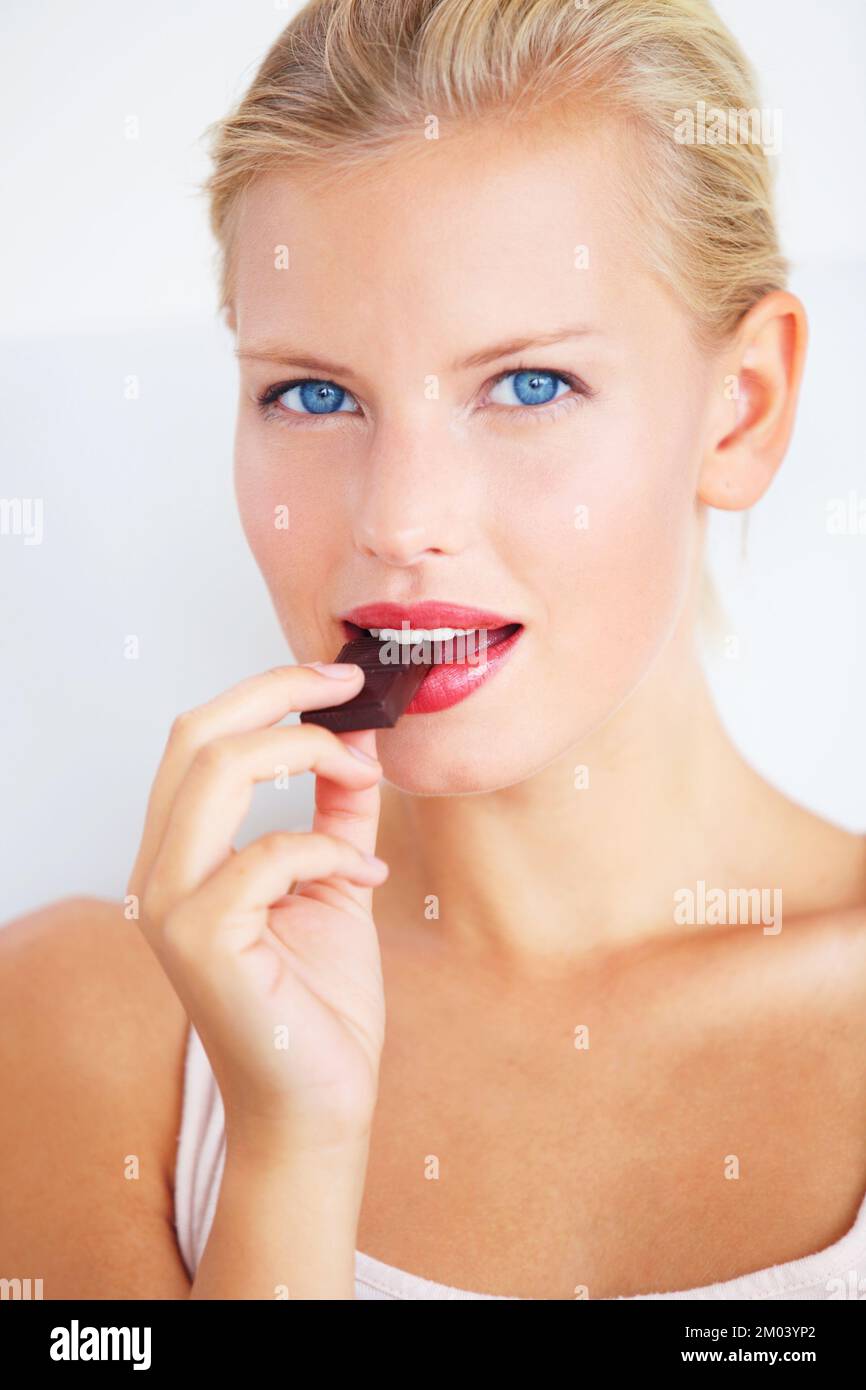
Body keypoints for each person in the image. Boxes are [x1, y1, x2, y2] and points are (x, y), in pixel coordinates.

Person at [2, 0, 865, 1301]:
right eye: (312, 393)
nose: (397, 521)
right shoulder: (83, 1024)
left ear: (738, 408)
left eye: (527, 385)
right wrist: (288, 1151)